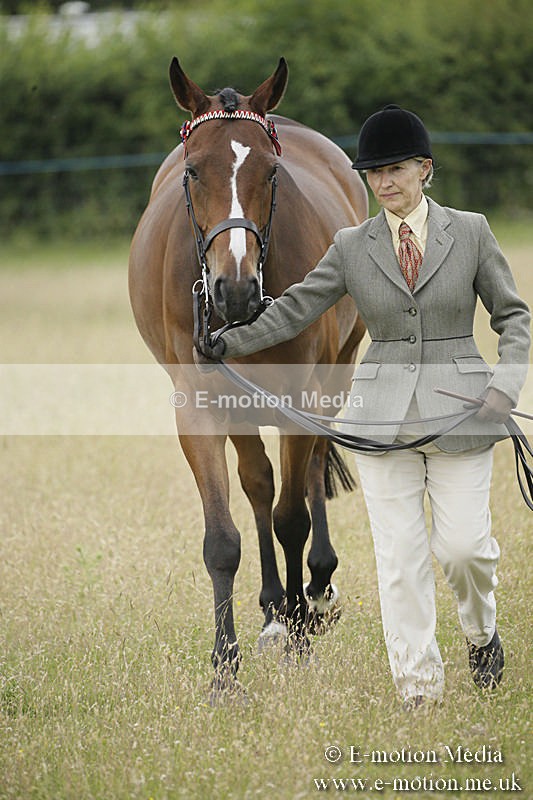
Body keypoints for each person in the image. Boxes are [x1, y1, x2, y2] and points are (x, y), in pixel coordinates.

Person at [195, 105, 531, 707]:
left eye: (396, 169)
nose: (383, 183)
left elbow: (514, 317)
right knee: (399, 563)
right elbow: (295, 307)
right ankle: (418, 693)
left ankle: (481, 634)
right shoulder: (353, 245)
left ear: (425, 169)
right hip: (379, 419)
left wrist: (505, 386)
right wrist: (226, 341)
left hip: (463, 413)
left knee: (464, 553)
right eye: (373, 173)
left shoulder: (472, 231)